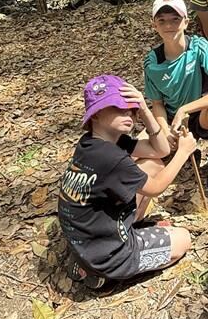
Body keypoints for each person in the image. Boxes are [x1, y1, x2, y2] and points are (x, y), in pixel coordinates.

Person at [58, 74, 195, 287]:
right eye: (118, 107)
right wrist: (184, 153)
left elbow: (161, 151)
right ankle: (108, 275)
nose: (128, 112)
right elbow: (157, 188)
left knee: (153, 164)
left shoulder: (92, 143)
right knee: (183, 239)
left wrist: (145, 110)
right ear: (95, 114)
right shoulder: (111, 158)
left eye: (132, 108)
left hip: (87, 242)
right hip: (109, 256)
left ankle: (97, 257)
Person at [144, 0, 208, 191]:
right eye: (162, 20)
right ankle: (184, 151)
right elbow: (157, 104)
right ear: (154, 25)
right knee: (147, 152)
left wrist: (184, 109)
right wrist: (165, 130)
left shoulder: (199, 47)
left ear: (185, 22)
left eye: (175, 19)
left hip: (200, 113)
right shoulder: (152, 63)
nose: (169, 25)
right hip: (172, 120)